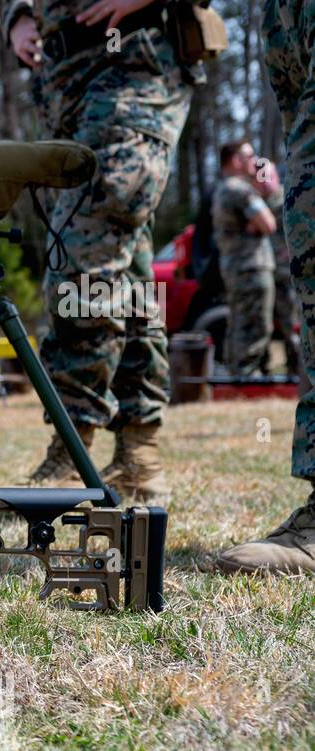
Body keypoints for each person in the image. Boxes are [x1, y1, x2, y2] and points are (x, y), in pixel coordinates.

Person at [5, 0, 194, 505]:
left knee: (83, 252)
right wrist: (18, 18)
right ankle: (139, 456)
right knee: (123, 265)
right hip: (70, 87)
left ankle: (73, 455)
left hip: (131, 69)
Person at [217, 0, 315, 574]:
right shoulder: (233, 190)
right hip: (251, 271)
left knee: (258, 329)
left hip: (254, 270)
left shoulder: (233, 190)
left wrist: (279, 189)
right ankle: (247, 381)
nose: (255, 163)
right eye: (248, 159)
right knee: (255, 331)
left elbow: (272, 219)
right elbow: (270, 218)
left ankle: (248, 379)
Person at [211, 140, 277, 378]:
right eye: (249, 156)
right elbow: (268, 223)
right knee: (255, 325)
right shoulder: (240, 190)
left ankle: (237, 373)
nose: (254, 160)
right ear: (237, 160)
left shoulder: (222, 188)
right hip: (251, 266)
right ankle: (247, 376)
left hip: (236, 267)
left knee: (239, 322)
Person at [255, 159, 303, 376]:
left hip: (286, 275)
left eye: (267, 175)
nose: (264, 181)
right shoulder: (254, 201)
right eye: (259, 176)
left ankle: (296, 370)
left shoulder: (288, 197)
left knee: (290, 325)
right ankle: (261, 370)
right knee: (261, 325)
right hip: (263, 273)